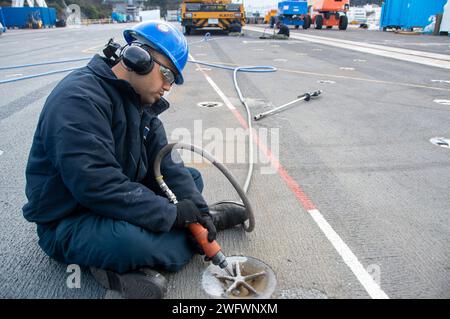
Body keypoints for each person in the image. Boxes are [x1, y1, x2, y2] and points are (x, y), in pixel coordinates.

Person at [22, 20, 247, 299]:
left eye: (173, 80)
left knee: (190, 180)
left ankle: (199, 225)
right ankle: (157, 250)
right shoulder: (78, 99)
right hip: (71, 217)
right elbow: (97, 185)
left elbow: (166, 162)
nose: (168, 86)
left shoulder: (139, 101)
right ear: (138, 59)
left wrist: (198, 210)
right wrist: (172, 214)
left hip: (116, 193)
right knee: (131, 242)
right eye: (166, 75)